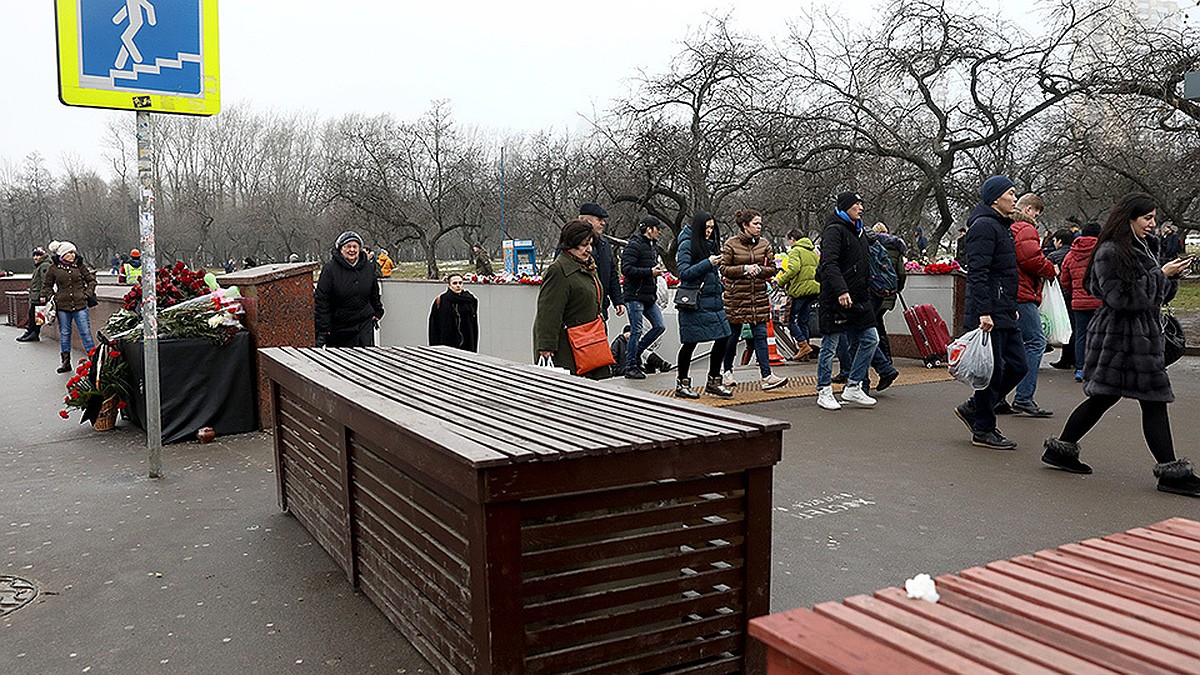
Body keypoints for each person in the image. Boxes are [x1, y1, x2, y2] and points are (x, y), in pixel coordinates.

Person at [1041, 192, 1200, 497]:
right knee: (1151, 399)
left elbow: (1155, 295)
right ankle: (1171, 472)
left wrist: (1169, 278)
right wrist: (1160, 275)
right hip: (1121, 337)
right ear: (1129, 218)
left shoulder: (1143, 246)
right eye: (1147, 218)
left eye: (1154, 218)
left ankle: (1060, 450)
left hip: (1137, 337)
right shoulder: (1110, 251)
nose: (1153, 224)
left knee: (1105, 397)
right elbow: (1121, 298)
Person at [952, 176, 1027, 449]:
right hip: (989, 314)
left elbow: (1005, 274)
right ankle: (984, 429)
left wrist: (1010, 307)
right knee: (992, 373)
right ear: (995, 198)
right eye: (1010, 193)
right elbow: (979, 273)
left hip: (1004, 310)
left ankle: (974, 408)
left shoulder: (1002, 226)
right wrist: (984, 312)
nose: (1014, 198)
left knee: (1019, 366)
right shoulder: (984, 226)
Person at [813, 192, 881, 410]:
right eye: (856, 204)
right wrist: (841, 290)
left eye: (861, 203)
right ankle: (824, 389)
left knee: (871, 339)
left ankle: (853, 386)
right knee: (830, 344)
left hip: (859, 297)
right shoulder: (834, 231)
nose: (860, 208)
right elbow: (829, 265)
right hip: (836, 298)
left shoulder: (859, 230)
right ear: (844, 207)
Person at [993, 193, 1056, 418]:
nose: (1037, 218)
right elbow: (1032, 260)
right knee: (1036, 341)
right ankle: (1024, 397)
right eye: (1037, 213)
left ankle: (997, 397)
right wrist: (1050, 269)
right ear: (1029, 209)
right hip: (1022, 293)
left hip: (1007, 293)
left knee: (1010, 347)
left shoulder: (1006, 227)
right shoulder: (1026, 228)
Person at [533, 220, 611, 379]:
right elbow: (548, 312)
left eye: (590, 244)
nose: (588, 249)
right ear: (569, 244)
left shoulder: (588, 266)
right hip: (569, 348)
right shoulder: (558, 270)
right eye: (583, 245)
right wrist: (546, 347)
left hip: (591, 342)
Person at [720, 209, 787, 391]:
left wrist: (759, 270)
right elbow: (724, 269)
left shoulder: (764, 244)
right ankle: (727, 372)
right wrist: (743, 269)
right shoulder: (731, 244)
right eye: (756, 223)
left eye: (760, 223)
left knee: (761, 335)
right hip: (737, 299)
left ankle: (766, 376)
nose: (759, 227)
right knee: (733, 336)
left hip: (758, 296)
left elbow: (773, 268)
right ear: (745, 225)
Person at [673, 212, 733, 398]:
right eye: (706, 228)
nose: (709, 231)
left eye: (711, 228)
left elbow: (710, 275)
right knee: (690, 343)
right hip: (694, 303)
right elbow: (683, 272)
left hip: (713, 301)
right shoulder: (686, 244)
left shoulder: (710, 244)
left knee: (724, 337)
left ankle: (714, 379)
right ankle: (682, 382)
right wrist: (708, 263)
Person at [314, 231, 384, 348]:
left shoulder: (368, 267)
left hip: (363, 325)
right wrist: (324, 327)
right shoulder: (330, 269)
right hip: (339, 327)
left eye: (355, 247)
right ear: (341, 249)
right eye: (348, 247)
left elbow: (374, 293)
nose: (352, 250)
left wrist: (378, 311)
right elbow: (322, 299)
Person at [620, 216, 667, 379]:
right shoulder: (634, 245)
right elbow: (626, 269)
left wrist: (654, 272)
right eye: (657, 228)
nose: (659, 231)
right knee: (637, 329)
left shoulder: (653, 247)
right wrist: (649, 272)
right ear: (649, 229)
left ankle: (636, 352)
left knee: (659, 326)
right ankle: (631, 366)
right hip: (635, 295)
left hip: (648, 296)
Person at [40, 241, 97, 374]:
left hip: (80, 304)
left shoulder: (79, 266)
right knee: (65, 334)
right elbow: (47, 285)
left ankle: (93, 360)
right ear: (62, 254)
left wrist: (87, 294)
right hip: (62, 306)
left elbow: (92, 281)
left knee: (85, 333)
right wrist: (52, 296)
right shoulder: (54, 268)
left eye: (73, 252)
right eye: (69, 253)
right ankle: (66, 362)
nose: (73, 255)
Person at [1059, 222, 1102, 383]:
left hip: (1078, 301)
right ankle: (1097, 367)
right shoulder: (1102, 251)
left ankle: (1080, 368)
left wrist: (1074, 291)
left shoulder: (1071, 254)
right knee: (1099, 334)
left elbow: (1065, 279)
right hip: (1100, 301)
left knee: (1080, 334)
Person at [775, 228, 820, 362]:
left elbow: (793, 269)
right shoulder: (812, 251)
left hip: (800, 290)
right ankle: (805, 352)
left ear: (792, 239)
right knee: (803, 321)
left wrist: (781, 281)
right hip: (813, 289)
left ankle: (802, 344)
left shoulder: (796, 251)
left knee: (789, 319)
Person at [578, 203, 624, 320]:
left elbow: (612, 273)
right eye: (599, 220)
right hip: (581, 310)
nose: (603, 223)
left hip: (601, 308)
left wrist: (617, 300)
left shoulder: (604, 244)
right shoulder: (573, 244)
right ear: (586, 221)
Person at [1046, 228, 1077, 371]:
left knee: (1065, 326)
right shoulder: (1076, 254)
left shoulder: (1053, 256)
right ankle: (1075, 359)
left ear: (1059, 241)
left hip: (1060, 295)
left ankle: (1065, 359)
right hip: (1076, 295)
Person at [428, 273, 479, 352]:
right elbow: (434, 325)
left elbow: (473, 324)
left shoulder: (470, 300)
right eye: (455, 283)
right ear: (449, 285)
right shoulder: (442, 300)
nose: (458, 285)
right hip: (447, 344)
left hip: (467, 344)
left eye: (460, 283)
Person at [15, 247, 50, 343]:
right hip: (35, 296)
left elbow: (45, 282)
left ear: (43, 256)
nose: (36, 257)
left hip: (39, 296)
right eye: (34, 255)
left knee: (38, 316)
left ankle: (34, 333)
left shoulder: (44, 266)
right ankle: (30, 332)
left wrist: (43, 295)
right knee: (32, 315)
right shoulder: (40, 266)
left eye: (38, 255)